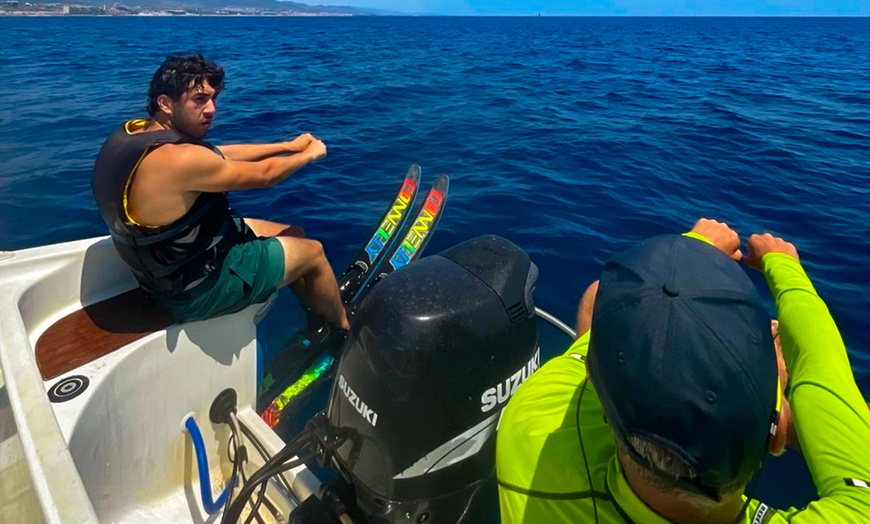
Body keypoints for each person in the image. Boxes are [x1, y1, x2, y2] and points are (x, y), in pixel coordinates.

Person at [497, 218, 870, 523]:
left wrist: (690, 253)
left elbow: (602, 299)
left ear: (594, 383)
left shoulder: (529, 427)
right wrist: (785, 266)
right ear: (777, 436)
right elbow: (825, 370)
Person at [92, 53, 349, 331]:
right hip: (198, 290)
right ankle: (342, 328)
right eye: (199, 99)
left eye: (213, 98)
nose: (212, 109)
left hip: (174, 267)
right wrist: (309, 154)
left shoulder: (136, 134)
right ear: (165, 103)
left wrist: (288, 146)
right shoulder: (180, 160)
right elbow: (265, 176)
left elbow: (216, 154)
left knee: (294, 233)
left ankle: (315, 311)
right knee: (314, 252)